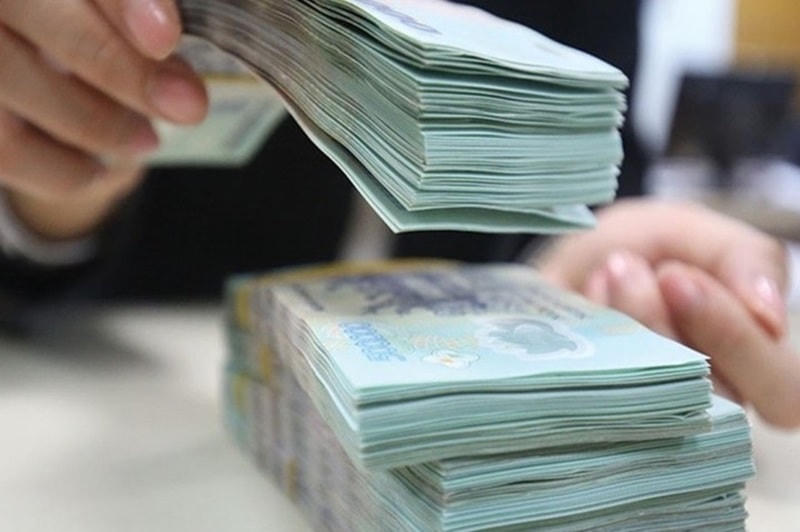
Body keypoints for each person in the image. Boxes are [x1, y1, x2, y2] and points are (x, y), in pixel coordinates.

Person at [0, 0, 798, 428]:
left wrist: (597, 249)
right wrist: (42, 186)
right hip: (116, 401)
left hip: (467, 398)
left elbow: (600, 134)